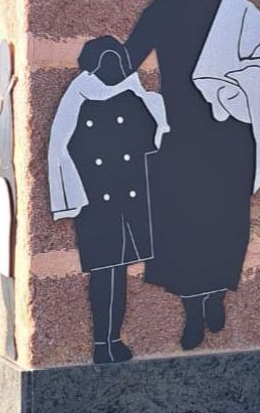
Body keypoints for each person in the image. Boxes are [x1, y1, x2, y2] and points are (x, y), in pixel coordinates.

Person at [123, 0, 260, 350]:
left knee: (223, 221)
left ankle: (215, 295)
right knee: (178, 224)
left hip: (228, 134)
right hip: (178, 136)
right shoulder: (160, 12)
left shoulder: (237, 14)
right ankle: (192, 309)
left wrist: (236, 84)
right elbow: (129, 59)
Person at [48, 36, 169, 363]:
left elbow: (155, 139)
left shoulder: (136, 96)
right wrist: (71, 196)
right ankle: (103, 343)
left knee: (122, 271)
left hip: (132, 196)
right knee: (106, 272)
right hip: (96, 201)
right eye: (106, 61)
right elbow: (61, 149)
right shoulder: (78, 99)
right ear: (93, 65)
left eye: (117, 59)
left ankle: (113, 338)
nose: (113, 68)